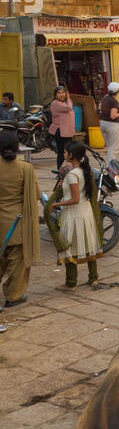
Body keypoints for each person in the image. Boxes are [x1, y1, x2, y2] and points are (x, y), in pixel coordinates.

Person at [49, 141, 103, 290]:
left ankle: (71, 283)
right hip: (86, 214)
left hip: (73, 215)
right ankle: (93, 278)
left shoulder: (73, 175)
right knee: (89, 245)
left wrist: (55, 205)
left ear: (71, 155)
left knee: (69, 248)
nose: (64, 154)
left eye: (65, 152)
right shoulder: (85, 171)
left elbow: (74, 199)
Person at [0, 130, 40, 308]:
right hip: (17, 223)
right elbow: (36, 194)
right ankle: (13, 296)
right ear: (17, 147)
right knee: (17, 263)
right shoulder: (25, 168)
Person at [48, 85, 76, 172]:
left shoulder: (64, 103)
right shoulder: (56, 103)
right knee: (61, 152)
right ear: (55, 95)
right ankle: (59, 170)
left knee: (68, 152)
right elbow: (69, 108)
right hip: (60, 131)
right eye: (59, 93)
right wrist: (68, 99)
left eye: (63, 93)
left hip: (67, 131)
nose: (61, 95)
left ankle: (66, 169)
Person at [99, 82, 119, 165]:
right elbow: (113, 116)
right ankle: (111, 166)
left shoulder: (104, 98)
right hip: (112, 125)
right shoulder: (114, 101)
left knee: (109, 146)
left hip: (103, 123)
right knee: (113, 148)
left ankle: (109, 164)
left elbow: (99, 109)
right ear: (117, 91)